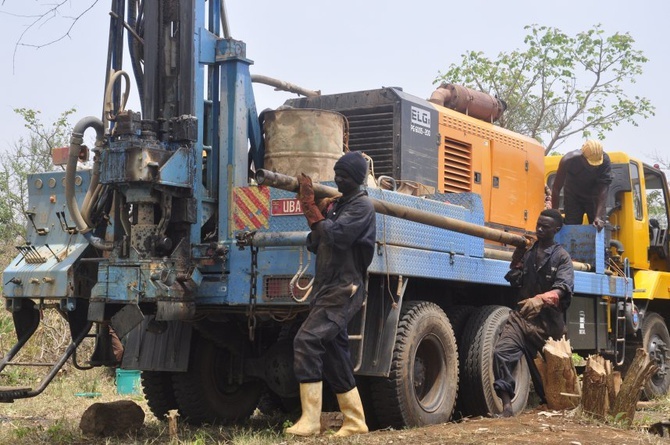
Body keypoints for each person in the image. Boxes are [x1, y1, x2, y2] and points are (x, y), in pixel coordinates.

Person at [286, 151, 376, 437]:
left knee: (307, 339)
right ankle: (355, 421)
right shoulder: (340, 205)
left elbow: (337, 236)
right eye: (337, 173)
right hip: (327, 287)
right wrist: (320, 214)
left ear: (358, 179)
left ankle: (311, 421)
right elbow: (317, 242)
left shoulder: (362, 207)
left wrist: (311, 209)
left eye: (345, 175)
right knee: (335, 353)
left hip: (344, 288)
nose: (338, 179)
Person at [493, 208, 574, 417]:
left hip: (547, 326)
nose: (539, 229)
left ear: (556, 229)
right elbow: (515, 277)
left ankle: (554, 406)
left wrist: (542, 299)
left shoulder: (562, 257)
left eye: (545, 227)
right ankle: (507, 407)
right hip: (521, 318)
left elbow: (563, 288)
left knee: (547, 377)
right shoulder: (528, 251)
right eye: (538, 224)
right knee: (501, 353)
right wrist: (516, 261)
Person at [551, 140, 612, 231]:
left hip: (594, 197)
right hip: (573, 196)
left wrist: (598, 216)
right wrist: (555, 212)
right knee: (571, 227)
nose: (593, 167)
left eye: (596, 165)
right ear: (582, 157)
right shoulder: (568, 160)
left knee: (598, 226)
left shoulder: (605, 161)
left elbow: (603, 189)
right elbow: (556, 188)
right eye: (590, 163)